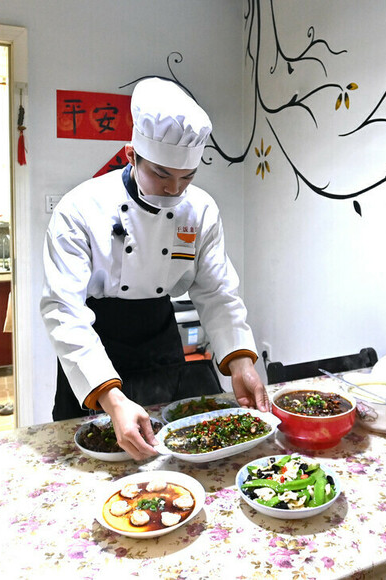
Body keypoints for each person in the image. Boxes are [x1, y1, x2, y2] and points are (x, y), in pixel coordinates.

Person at [41, 77, 268, 460]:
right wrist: (111, 398)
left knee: (167, 450)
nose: (174, 189)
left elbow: (216, 292)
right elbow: (63, 310)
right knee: (93, 455)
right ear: (131, 155)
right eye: (162, 174)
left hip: (159, 339)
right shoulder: (79, 209)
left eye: (187, 177)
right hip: (95, 340)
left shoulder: (200, 210)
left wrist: (240, 361)